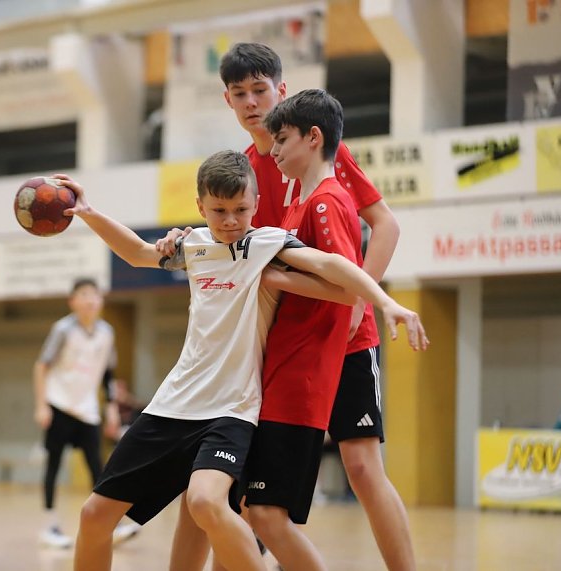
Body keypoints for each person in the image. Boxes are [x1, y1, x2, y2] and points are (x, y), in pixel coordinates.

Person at [54, 149, 428, 571]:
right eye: (219, 211)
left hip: (232, 410)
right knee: (93, 515)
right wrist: (86, 211)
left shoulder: (264, 243)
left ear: (254, 203)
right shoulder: (192, 245)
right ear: (200, 207)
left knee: (205, 503)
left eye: (241, 209)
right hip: (174, 403)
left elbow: (329, 263)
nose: (231, 220)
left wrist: (384, 300)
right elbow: (139, 252)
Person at [161, 43, 416, 571]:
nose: (252, 102)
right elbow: (228, 240)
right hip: (275, 341)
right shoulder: (244, 171)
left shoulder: (316, 150)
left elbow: (385, 223)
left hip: (343, 331)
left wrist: (359, 303)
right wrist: (185, 236)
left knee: (362, 465)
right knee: (245, 479)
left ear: (281, 90)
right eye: (240, 94)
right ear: (227, 100)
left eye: (261, 90)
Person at [34, 277, 137, 549]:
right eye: (84, 294)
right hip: (58, 404)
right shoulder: (63, 329)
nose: (91, 299)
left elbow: (108, 375)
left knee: (98, 469)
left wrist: (112, 408)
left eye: (95, 294)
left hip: (87, 410)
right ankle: (49, 525)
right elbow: (41, 366)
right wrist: (41, 404)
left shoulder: (107, 332)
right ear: (73, 301)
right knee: (54, 465)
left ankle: (109, 524)